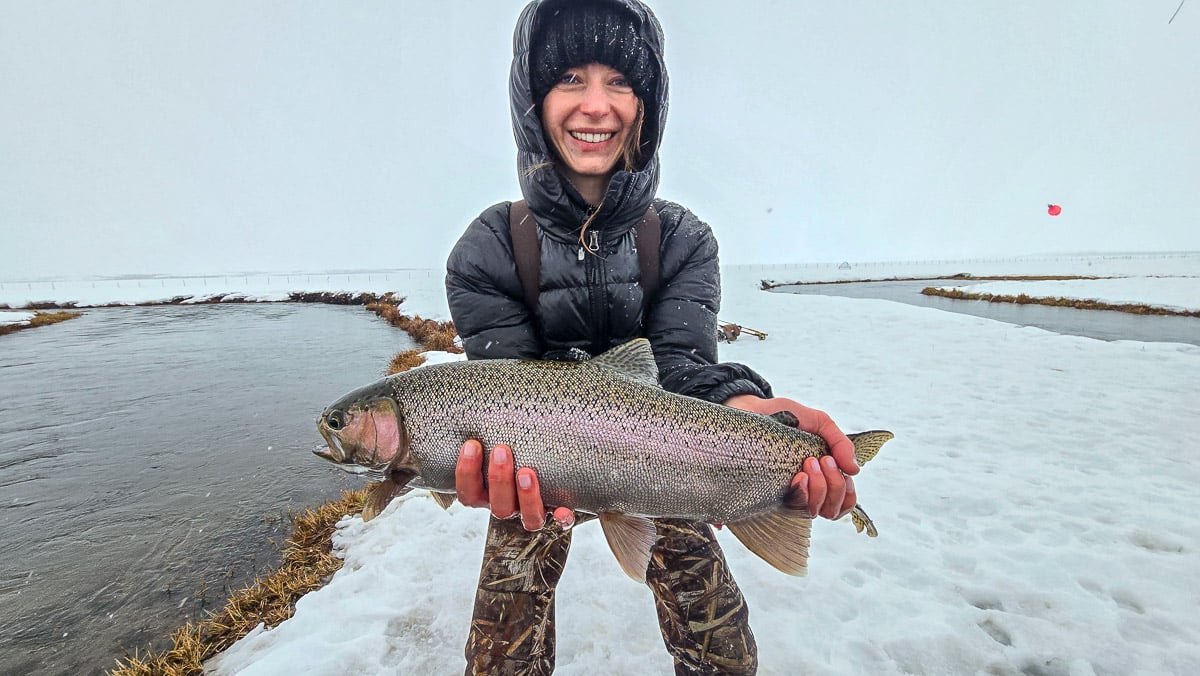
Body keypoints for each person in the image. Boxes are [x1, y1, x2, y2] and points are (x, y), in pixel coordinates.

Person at [445, 1, 859, 673]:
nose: (596, 106)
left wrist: (747, 411)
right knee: (501, 658)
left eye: (620, 82)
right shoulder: (489, 248)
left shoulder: (683, 240)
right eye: (570, 78)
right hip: (534, 475)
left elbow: (684, 365)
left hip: (659, 458)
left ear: (648, 101)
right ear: (533, 98)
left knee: (721, 653)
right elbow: (505, 392)